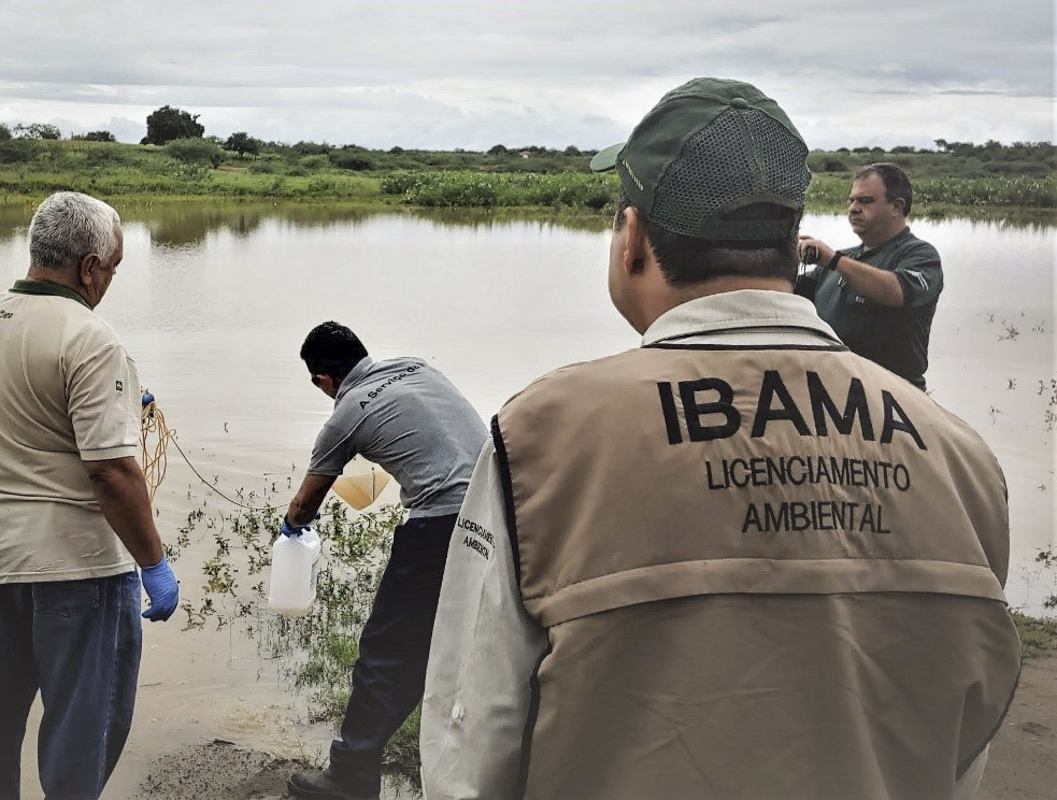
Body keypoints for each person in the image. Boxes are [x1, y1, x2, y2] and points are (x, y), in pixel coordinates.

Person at [420, 78, 1019, 800]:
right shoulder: (962, 460)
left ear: (633, 237)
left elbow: (470, 742)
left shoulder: (543, 437)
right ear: (785, 243)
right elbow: (962, 746)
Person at [0, 191, 180, 798]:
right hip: (76, 570)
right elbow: (112, 472)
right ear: (88, 267)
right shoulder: (92, 337)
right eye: (113, 268)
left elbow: (21, 413)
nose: (109, 282)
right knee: (82, 737)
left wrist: (121, 400)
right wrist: (154, 564)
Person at [284, 322, 487, 800]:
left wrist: (290, 529)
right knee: (466, 643)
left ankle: (350, 775)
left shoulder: (346, 413)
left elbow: (304, 505)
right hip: (495, 510)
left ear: (324, 381)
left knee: (384, 653)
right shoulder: (415, 366)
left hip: (439, 526)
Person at [796, 162, 943, 388]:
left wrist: (833, 260)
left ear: (897, 206)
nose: (853, 208)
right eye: (851, 200)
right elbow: (786, 294)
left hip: (895, 397)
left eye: (865, 201)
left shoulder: (920, 255)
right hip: (833, 392)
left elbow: (896, 291)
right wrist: (785, 253)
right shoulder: (842, 260)